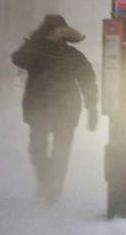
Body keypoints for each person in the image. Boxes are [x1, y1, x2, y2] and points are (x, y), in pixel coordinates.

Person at [12, 14, 98, 205]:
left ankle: (54, 189)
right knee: (36, 151)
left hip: (65, 111)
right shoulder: (35, 52)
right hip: (39, 110)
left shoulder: (72, 56)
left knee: (61, 153)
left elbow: (88, 81)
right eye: (50, 32)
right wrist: (35, 40)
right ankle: (47, 179)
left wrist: (92, 108)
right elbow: (17, 59)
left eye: (59, 32)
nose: (55, 36)